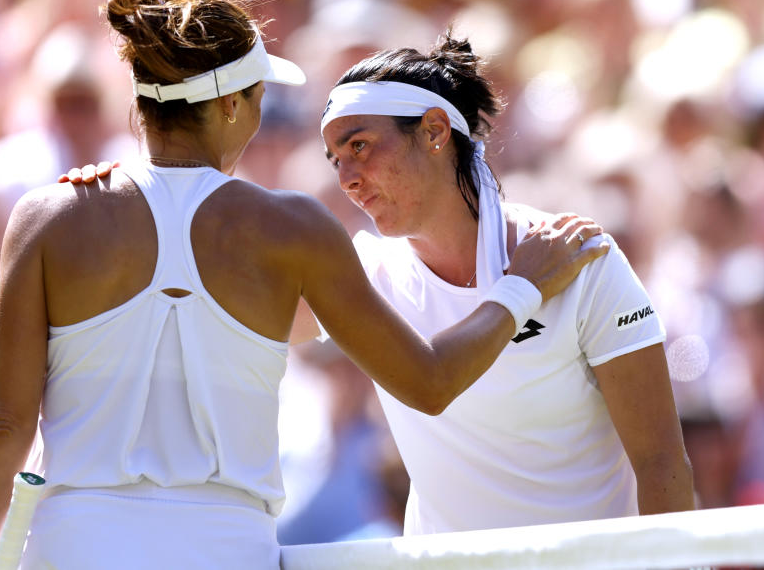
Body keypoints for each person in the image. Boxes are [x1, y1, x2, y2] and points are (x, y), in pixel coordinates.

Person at [0, 0, 605, 570]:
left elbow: (2, 426)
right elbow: (430, 382)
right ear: (233, 105)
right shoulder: (294, 230)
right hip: (223, 552)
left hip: (73, 549)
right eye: (260, 97)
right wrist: (522, 288)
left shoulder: (48, 215)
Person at [66, 32, 695, 535]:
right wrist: (131, 197)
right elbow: (202, 313)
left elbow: (662, 462)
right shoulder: (361, 273)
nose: (347, 176)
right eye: (335, 159)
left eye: (361, 146)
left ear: (434, 131)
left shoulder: (581, 258)